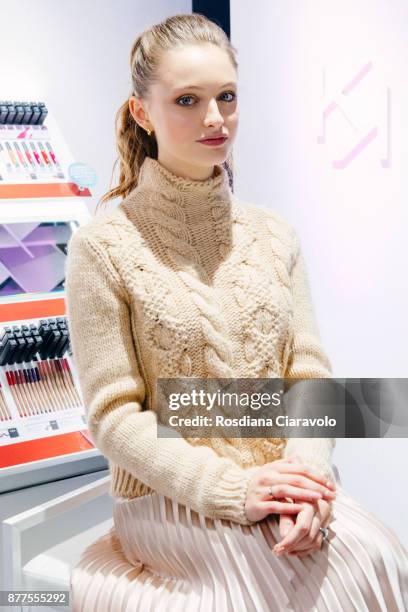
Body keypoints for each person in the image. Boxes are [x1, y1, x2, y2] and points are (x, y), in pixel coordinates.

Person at [66, 13, 408, 612]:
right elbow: (114, 418)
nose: (215, 118)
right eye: (188, 100)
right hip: (172, 502)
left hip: (281, 484)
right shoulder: (103, 248)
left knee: (378, 556)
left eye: (226, 96)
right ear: (142, 113)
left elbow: (308, 377)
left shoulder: (275, 235)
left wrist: (306, 483)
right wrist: (233, 489)